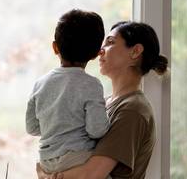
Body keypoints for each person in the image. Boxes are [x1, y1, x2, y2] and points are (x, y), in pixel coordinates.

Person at [36, 21, 169, 179]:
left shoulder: (133, 110)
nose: (100, 51)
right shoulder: (104, 103)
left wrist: (46, 175)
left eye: (110, 42)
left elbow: (91, 174)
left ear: (135, 51)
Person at [26, 9, 110, 174]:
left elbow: (32, 128)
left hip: (46, 162)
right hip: (78, 158)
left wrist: (56, 123)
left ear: (55, 47)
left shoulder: (40, 84)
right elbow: (97, 130)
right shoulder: (91, 85)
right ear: (96, 53)